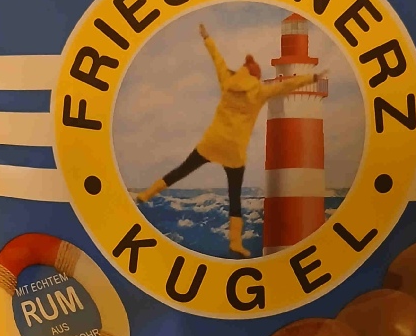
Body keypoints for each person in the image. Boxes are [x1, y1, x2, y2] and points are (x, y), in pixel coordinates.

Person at [137, 23, 326, 258]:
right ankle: (235, 242)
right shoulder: (260, 92)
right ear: (256, 76)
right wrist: (313, 76)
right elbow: (287, 84)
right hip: (234, 152)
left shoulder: (227, 80)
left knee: (181, 171)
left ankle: (146, 194)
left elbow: (216, 58)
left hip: (211, 143)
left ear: (242, 72)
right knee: (234, 197)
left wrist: (207, 38)